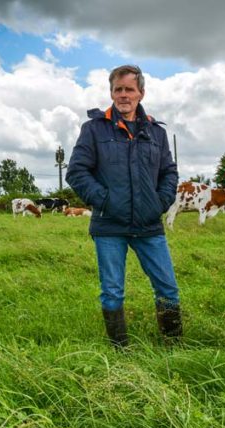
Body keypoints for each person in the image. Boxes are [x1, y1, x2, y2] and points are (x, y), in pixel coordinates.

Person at [66, 64, 181, 349]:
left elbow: (169, 172)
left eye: (129, 89)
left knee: (167, 287)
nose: (123, 95)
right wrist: (104, 200)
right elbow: (77, 172)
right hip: (109, 225)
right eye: (118, 89)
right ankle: (120, 350)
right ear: (111, 93)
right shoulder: (93, 129)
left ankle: (174, 346)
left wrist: (159, 202)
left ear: (141, 93)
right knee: (112, 291)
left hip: (148, 224)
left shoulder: (156, 132)